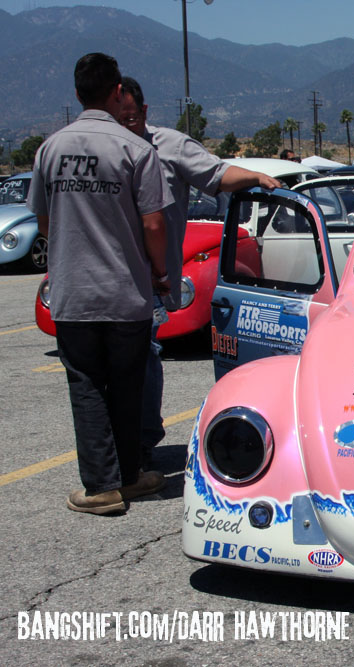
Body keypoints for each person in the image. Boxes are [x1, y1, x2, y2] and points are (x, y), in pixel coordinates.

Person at [28, 53, 172, 515]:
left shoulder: (50, 149)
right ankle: (128, 476)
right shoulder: (136, 150)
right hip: (126, 291)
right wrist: (160, 272)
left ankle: (101, 486)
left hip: (74, 293)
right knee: (128, 384)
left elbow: (44, 221)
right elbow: (154, 224)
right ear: (117, 92)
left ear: (77, 94)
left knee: (86, 383)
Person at [118, 76, 282, 467]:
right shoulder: (98, 147)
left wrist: (255, 178)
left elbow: (216, 174)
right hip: (108, 275)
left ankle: (141, 441)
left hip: (151, 278)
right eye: (116, 118)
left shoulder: (169, 145)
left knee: (144, 354)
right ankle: (117, 447)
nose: (123, 126)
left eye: (130, 118)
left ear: (144, 111)